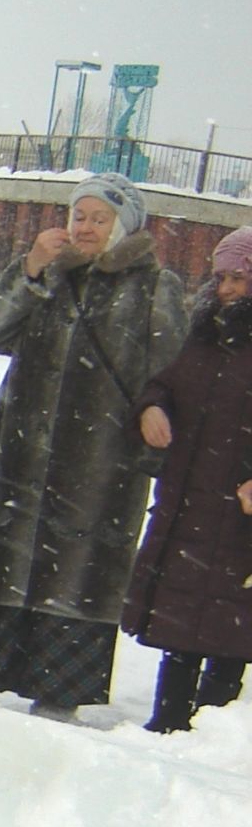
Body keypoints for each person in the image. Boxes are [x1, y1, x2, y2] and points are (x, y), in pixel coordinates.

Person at [0, 172, 185, 719]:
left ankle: (59, 692)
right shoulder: (51, 272)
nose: (87, 227)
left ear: (124, 225)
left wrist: (153, 410)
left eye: (100, 218)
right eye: (80, 215)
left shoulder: (153, 286)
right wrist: (27, 269)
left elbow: (168, 372)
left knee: (78, 575)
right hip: (22, 453)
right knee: (5, 568)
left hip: (100, 464)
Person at [121, 226, 252, 733]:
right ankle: (168, 721)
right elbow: (163, 384)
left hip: (240, 521)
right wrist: (152, 407)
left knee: (232, 628)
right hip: (190, 505)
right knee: (179, 626)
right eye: (221, 277)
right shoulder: (201, 335)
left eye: (239, 278)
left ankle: (211, 736)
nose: (226, 289)